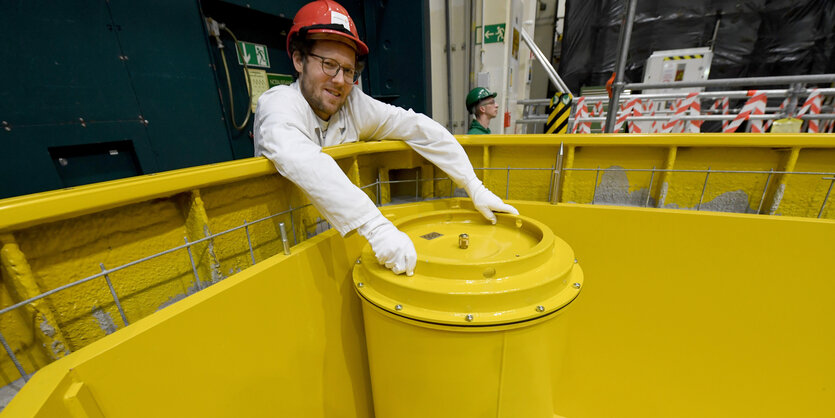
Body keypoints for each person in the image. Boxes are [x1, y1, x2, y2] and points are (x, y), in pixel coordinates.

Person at [253, 0, 517, 277]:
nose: (340, 80)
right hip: (288, 254)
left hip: (343, 246)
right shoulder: (279, 103)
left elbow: (417, 127)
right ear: (298, 60)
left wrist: (473, 185)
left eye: (348, 70)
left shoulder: (352, 104)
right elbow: (300, 157)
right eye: (329, 65)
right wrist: (375, 226)